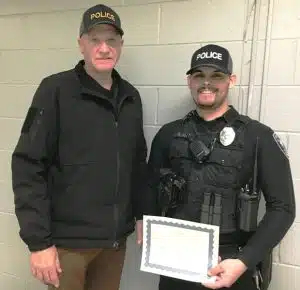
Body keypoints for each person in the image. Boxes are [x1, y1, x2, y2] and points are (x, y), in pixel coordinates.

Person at [11, 4, 146, 290]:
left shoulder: (130, 98)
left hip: (113, 244)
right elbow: (27, 166)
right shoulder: (54, 91)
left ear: (121, 45)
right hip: (68, 247)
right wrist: (39, 243)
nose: (104, 48)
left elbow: (137, 163)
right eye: (95, 39)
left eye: (111, 40)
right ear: (80, 44)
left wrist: (141, 215)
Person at [146, 44, 296, 290]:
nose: (207, 83)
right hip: (175, 263)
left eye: (216, 75)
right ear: (189, 81)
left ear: (231, 80)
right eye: (199, 75)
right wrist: (144, 220)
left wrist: (244, 260)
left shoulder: (258, 137)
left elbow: (283, 208)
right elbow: (149, 185)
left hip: (231, 265)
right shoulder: (169, 134)